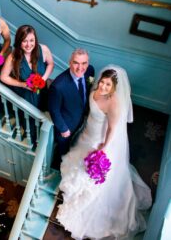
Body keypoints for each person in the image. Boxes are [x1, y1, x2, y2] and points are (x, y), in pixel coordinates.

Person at [57, 66, 152, 239]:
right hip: (88, 131)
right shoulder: (95, 90)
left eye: (108, 85)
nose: (103, 87)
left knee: (89, 174)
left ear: (114, 87)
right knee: (76, 154)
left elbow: (113, 129)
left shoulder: (114, 103)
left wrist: (104, 147)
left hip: (100, 139)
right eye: (102, 82)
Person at [48, 49, 94, 164]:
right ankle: (60, 166)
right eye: (76, 63)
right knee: (63, 150)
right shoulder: (58, 86)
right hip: (67, 125)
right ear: (69, 62)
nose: (80, 67)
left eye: (84, 63)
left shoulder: (90, 71)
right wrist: (63, 128)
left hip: (81, 117)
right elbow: (54, 110)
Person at [0, 25, 54, 110]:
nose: (29, 45)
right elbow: (3, 77)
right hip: (25, 96)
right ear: (19, 41)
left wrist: (43, 79)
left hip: (41, 93)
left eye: (31, 40)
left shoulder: (43, 49)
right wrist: (23, 84)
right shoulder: (13, 57)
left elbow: (51, 64)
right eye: (24, 41)